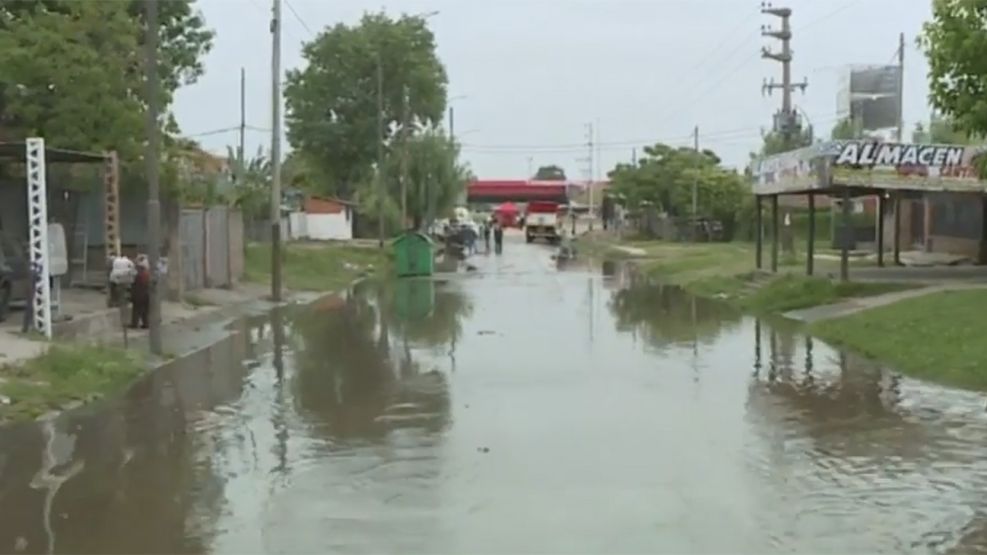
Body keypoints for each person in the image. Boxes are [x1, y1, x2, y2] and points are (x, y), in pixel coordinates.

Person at [130, 254, 151, 329]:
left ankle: (134, 324)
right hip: (146, 295)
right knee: (145, 311)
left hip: (139, 295)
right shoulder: (147, 274)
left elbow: (135, 285)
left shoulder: (138, 275)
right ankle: (146, 324)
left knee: (136, 310)